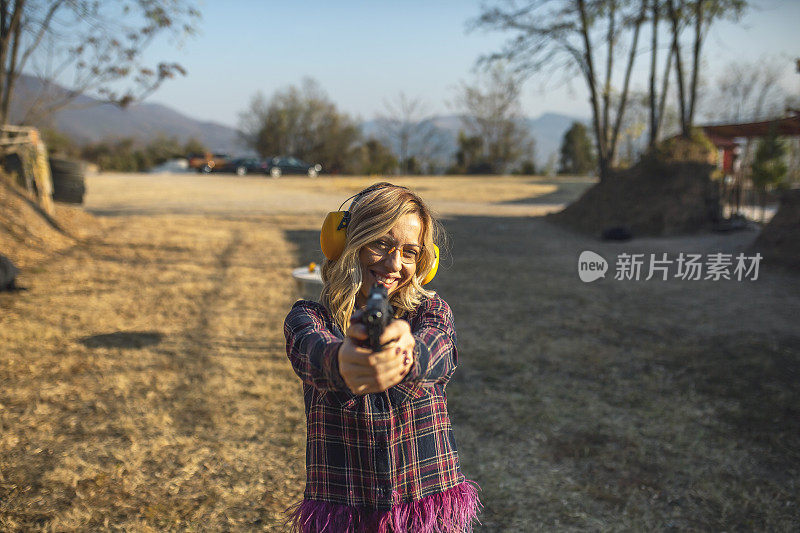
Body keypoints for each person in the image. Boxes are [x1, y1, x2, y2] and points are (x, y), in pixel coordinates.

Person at [284, 183, 480, 532]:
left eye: (409, 252)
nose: (394, 264)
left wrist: (406, 352)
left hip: (424, 503)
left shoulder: (431, 312)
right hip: (345, 509)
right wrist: (343, 359)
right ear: (347, 245)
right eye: (381, 244)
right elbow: (312, 352)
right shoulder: (307, 318)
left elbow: (438, 351)